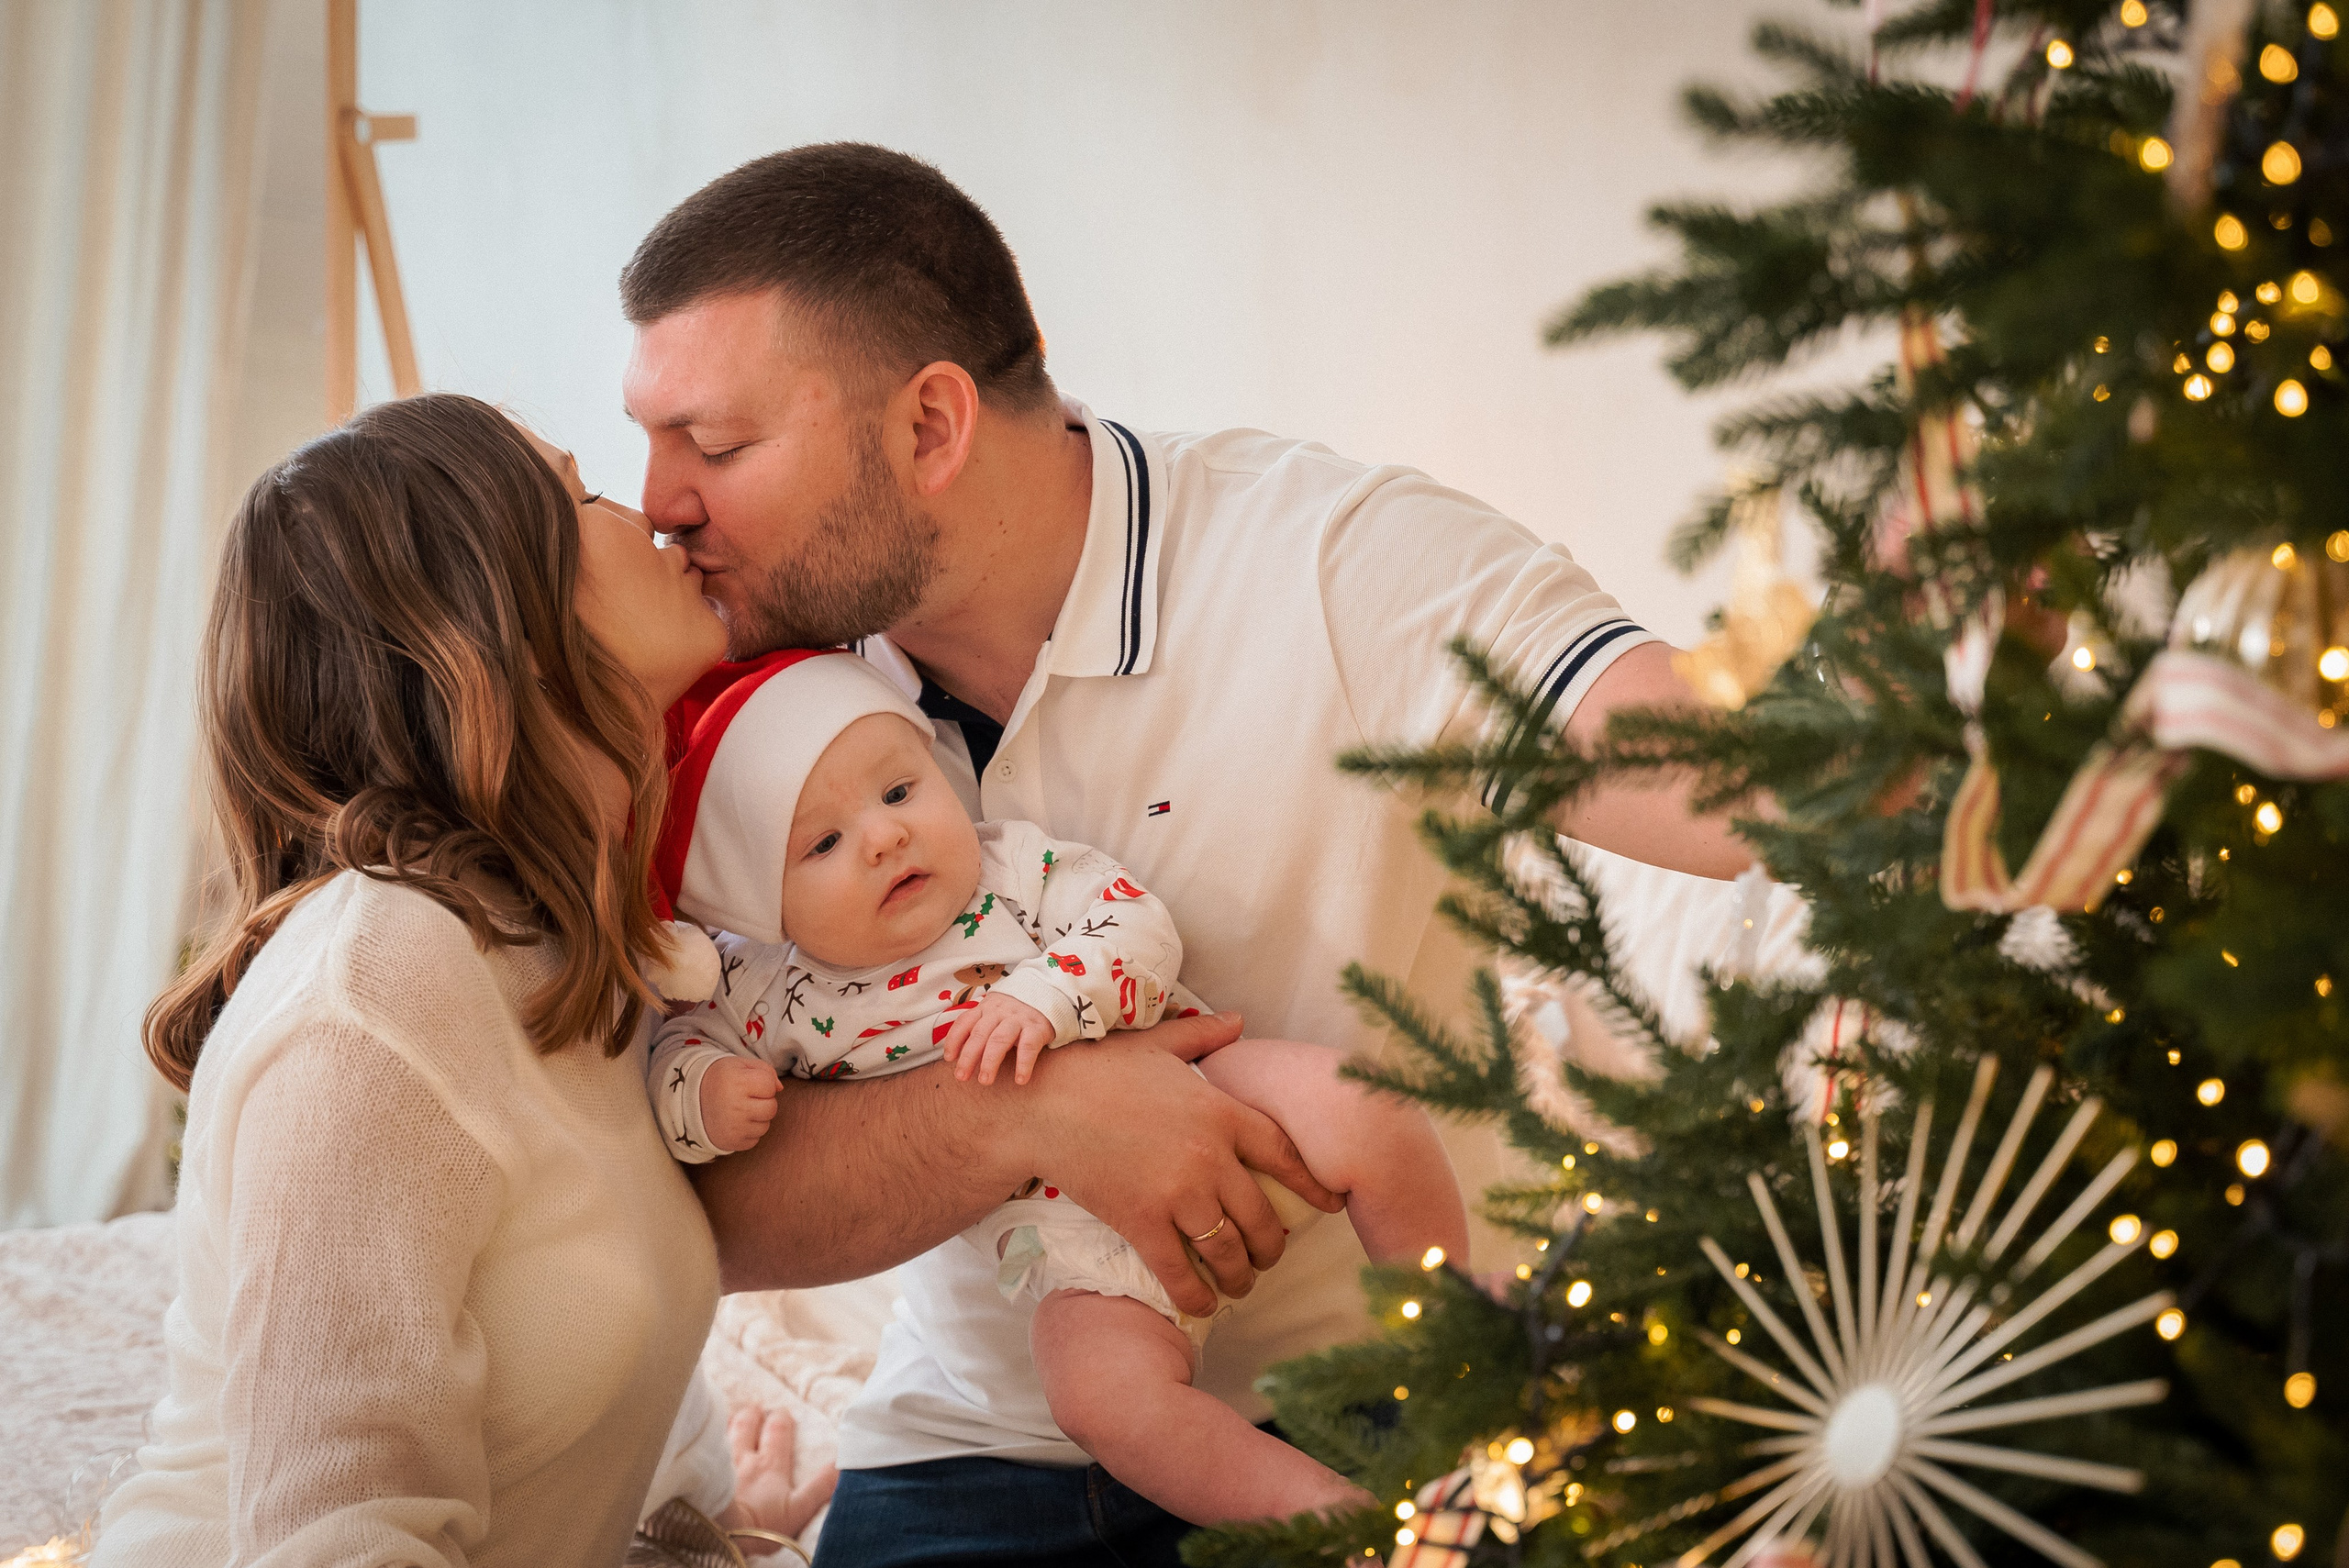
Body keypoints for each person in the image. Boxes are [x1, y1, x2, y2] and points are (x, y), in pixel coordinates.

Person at [617, 143, 1756, 1566]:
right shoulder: (742, 701)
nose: (661, 502)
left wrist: (1917, 662)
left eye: (712, 448)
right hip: (981, 1431)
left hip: (1380, 1400)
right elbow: (715, 1217)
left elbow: (1718, 790)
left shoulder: (1331, 563)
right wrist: (1039, 1113)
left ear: (928, 427)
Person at [95, 395, 829, 1565]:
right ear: (501, 615)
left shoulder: (564, 944)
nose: (648, 513)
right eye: (585, 495)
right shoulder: (382, 982)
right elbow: (340, 1542)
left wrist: (688, 1531)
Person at [642, 646, 1467, 1525]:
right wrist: (705, 1094)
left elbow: (1135, 924)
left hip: (1197, 1086)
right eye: (824, 841)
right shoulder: (768, 990)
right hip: (1065, 1240)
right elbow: (677, 1058)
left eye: (898, 791)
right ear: (758, 910)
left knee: (1367, 1108)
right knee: (1101, 1402)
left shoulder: (1014, 871)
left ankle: (1470, 1356)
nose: (885, 836)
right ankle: (1354, 1528)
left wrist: (1047, 996)